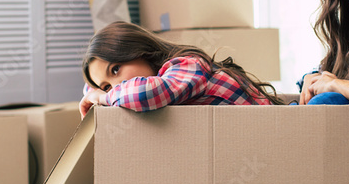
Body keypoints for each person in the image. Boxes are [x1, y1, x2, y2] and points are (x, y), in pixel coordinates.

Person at [79, 21, 282, 117]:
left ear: (140, 51)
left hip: (278, 132)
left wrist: (99, 97)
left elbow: (143, 94)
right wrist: (92, 92)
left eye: (115, 70)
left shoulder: (187, 67)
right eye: (106, 87)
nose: (115, 87)